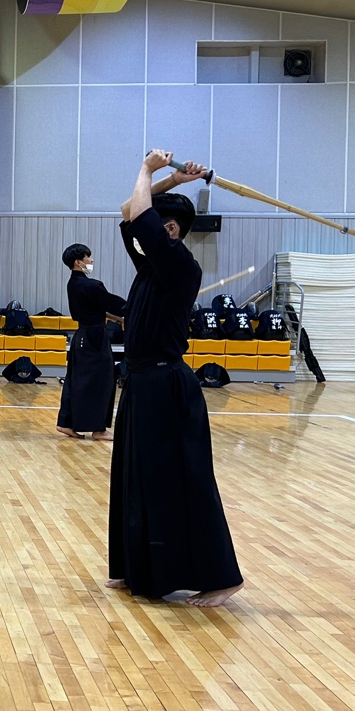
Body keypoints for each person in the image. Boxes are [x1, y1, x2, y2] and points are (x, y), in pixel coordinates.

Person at [108, 150, 243, 608]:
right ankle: (141, 568)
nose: (142, 231)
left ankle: (221, 577)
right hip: (141, 384)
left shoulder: (181, 266)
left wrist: (148, 170)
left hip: (167, 387)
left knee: (185, 482)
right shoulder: (150, 267)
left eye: (157, 226)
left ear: (171, 230)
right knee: (137, 478)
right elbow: (129, 212)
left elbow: (140, 214)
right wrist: (174, 181)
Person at [56, 244, 126, 440]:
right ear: (78, 262)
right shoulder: (92, 286)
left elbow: (96, 309)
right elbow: (114, 304)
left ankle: (66, 422)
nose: (91, 260)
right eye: (88, 257)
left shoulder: (73, 284)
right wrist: (136, 307)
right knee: (102, 381)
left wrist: (118, 319)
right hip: (95, 338)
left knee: (76, 380)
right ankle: (98, 429)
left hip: (81, 336)